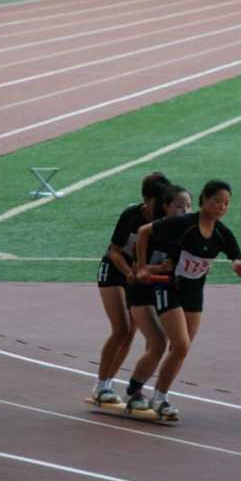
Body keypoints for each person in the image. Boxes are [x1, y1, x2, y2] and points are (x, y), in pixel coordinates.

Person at [134, 180, 241, 418]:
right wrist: (142, 267)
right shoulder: (183, 223)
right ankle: (145, 393)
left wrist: (239, 266)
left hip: (194, 293)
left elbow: (237, 258)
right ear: (204, 199)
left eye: (226, 203)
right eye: (217, 201)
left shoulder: (222, 233)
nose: (222, 207)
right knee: (181, 344)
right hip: (169, 287)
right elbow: (144, 232)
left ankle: (157, 396)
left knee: (181, 350)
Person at [91, 172, 172, 404]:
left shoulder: (165, 221)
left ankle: (127, 385)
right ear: (147, 200)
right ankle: (101, 385)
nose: (163, 207)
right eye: (159, 202)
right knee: (122, 328)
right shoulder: (131, 215)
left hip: (141, 275)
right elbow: (114, 250)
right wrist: (129, 273)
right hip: (116, 270)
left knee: (135, 330)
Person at [124, 185, 191, 411]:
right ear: (166, 207)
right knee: (158, 343)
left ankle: (159, 394)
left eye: (188, 206)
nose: (184, 211)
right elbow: (136, 271)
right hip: (141, 292)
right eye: (179, 206)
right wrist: (157, 268)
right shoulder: (153, 232)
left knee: (178, 344)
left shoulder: (186, 231)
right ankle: (134, 391)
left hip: (164, 290)